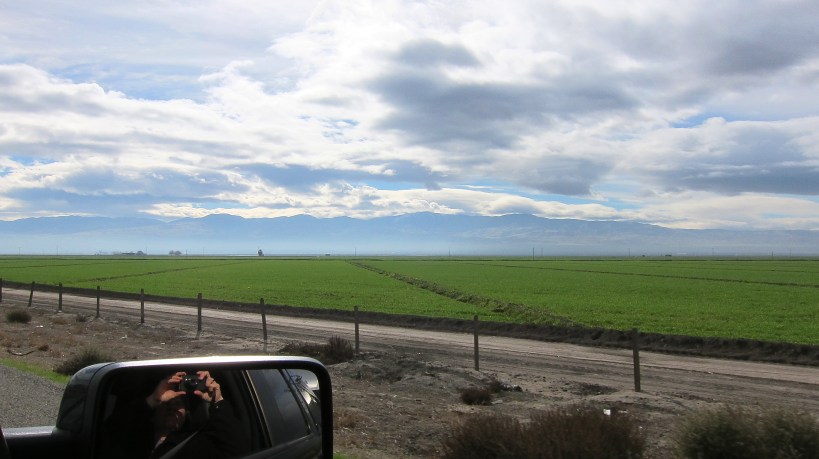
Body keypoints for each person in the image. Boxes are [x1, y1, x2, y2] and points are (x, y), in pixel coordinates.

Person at [100, 370, 249, 459]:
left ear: (188, 412)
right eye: (166, 403)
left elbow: (239, 451)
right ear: (153, 411)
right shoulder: (132, 440)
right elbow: (106, 436)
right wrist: (154, 399)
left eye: (179, 403)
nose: (172, 406)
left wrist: (218, 401)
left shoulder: (198, 445)